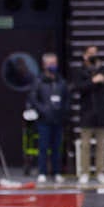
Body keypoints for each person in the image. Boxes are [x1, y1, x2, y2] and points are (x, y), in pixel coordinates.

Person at [26, 52, 68, 184]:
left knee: (57, 147)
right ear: (44, 65)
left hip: (58, 119)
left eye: (54, 63)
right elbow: (33, 98)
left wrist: (63, 111)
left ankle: (56, 172)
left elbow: (67, 98)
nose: (53, 66)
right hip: (44, 119)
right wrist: (43, 110)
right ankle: (42, 172)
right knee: (43, 147)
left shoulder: (61, 81)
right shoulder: (39, 81)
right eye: (50, 63)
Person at [75, 45, 104, 187]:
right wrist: (92, 81)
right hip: (86, 113)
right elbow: (78, 88)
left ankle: (100, 172)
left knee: (101, 145)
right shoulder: (80, 71)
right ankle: (85, 172)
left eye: (95, 53)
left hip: (101, 114)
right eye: (90, 53)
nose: (93, 55)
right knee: (85, 145)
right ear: (85, 55)